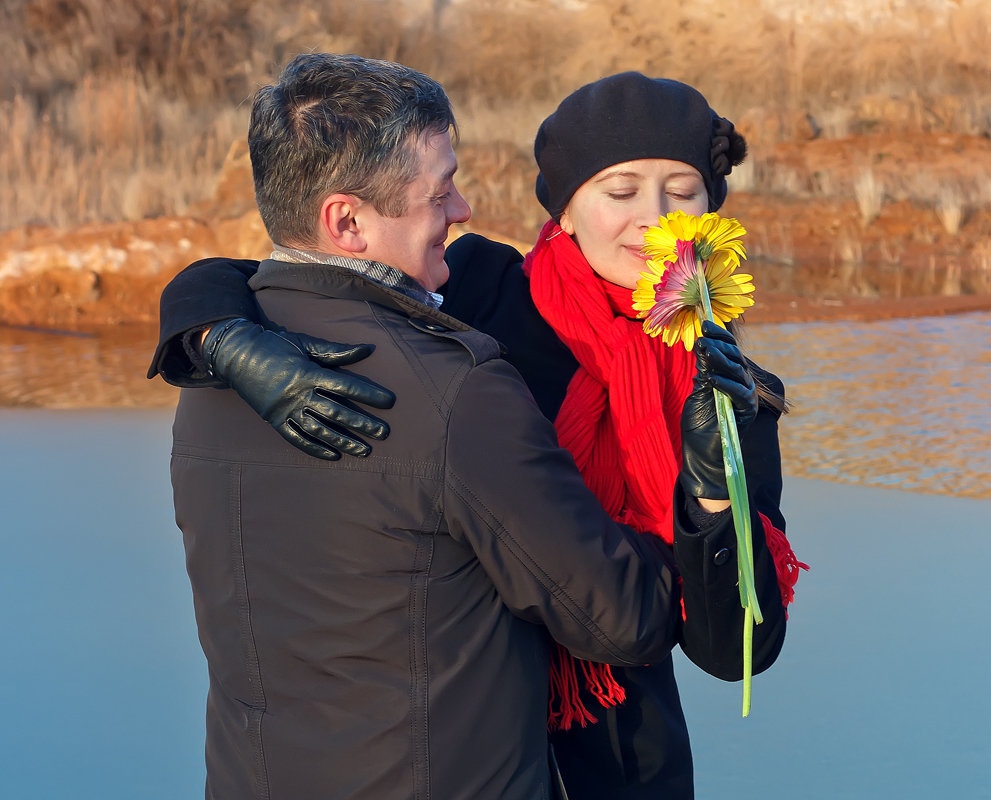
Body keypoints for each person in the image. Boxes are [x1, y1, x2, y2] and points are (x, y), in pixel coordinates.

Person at [151, 70, 800, 799]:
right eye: (621, 192)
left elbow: (738, 651)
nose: (655, 219)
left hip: (622, 765)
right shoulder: (486, 292)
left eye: (682, 192)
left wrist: (715, 504)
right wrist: (215, 330)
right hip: (469, 749)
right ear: (565, 209)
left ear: (712, 207)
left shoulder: (729, 386)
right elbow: (308, 265)